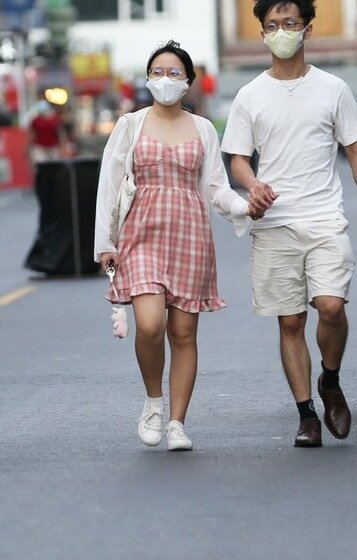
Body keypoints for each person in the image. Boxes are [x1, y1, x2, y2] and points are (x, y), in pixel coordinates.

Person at [223, 0, 357, 449]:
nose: (280, 32)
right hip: (273, 225)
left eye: (288, 24)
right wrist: (253, 187)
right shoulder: (249, 95)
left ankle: (330, 379)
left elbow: (356, 153)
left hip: (323, 217)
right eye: (271, 25)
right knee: (290, 321)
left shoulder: (333, 89)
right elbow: (237, 157)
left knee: (331, 307)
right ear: (262, 34)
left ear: (306, 29)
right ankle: (305, 413)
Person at [95, 41, 263, 452]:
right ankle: (154, 402)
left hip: (190, 235)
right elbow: (109, 185)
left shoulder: (203, 128)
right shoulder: (130, 125)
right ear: (147, 78)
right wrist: (105, 242)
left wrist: (246, 207)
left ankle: (176, 422)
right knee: (150, 324)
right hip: (141, 234)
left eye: (173, 72)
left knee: (184, 333)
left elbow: (216, 189)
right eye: (157, 71)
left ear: (187, 81)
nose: (165, 79)